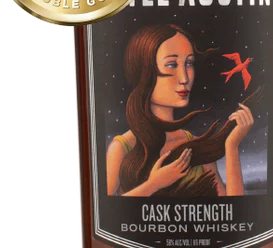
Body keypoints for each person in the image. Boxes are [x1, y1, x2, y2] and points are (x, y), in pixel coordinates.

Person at [107, 24, 254, 198]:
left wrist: (232, 146)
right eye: (171, 64)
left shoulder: (196, 146)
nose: (184, 78)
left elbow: (231, 210)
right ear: (144, 71)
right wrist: (154, 185)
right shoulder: (122, 148)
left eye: (189, 63)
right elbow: (105, 210)